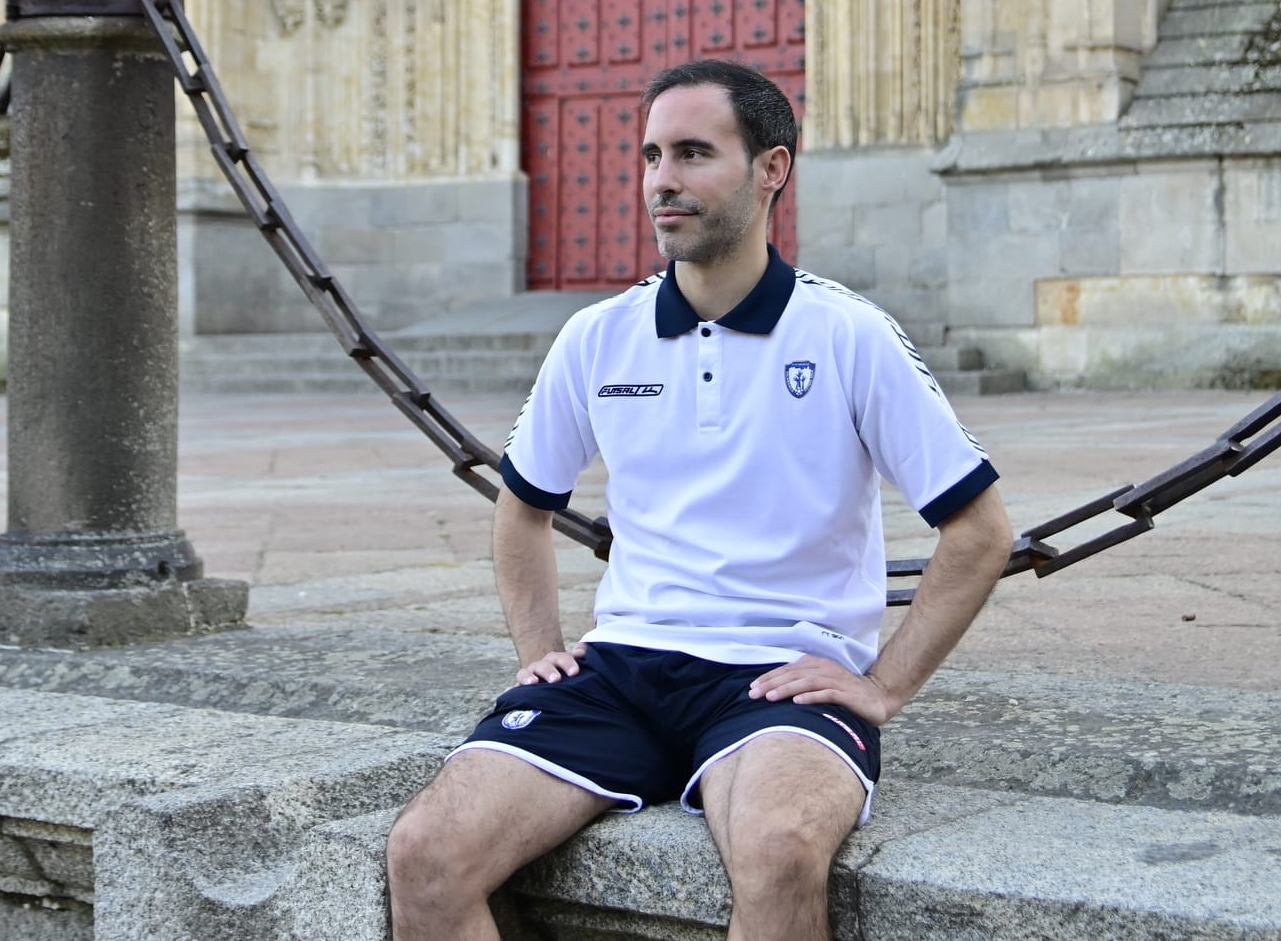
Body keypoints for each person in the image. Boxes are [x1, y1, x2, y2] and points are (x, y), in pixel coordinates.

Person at [386, 60, 1015, 941]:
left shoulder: (848, 334)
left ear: (772, 169)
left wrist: (883, 686)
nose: (662, 180)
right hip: (621, 669)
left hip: (779, 677)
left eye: (692, 153)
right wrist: (539, 649)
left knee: (780, 850)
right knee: (424, 852)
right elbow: (521, 505)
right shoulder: (597, 336)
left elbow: (980, 531)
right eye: (651, 156)